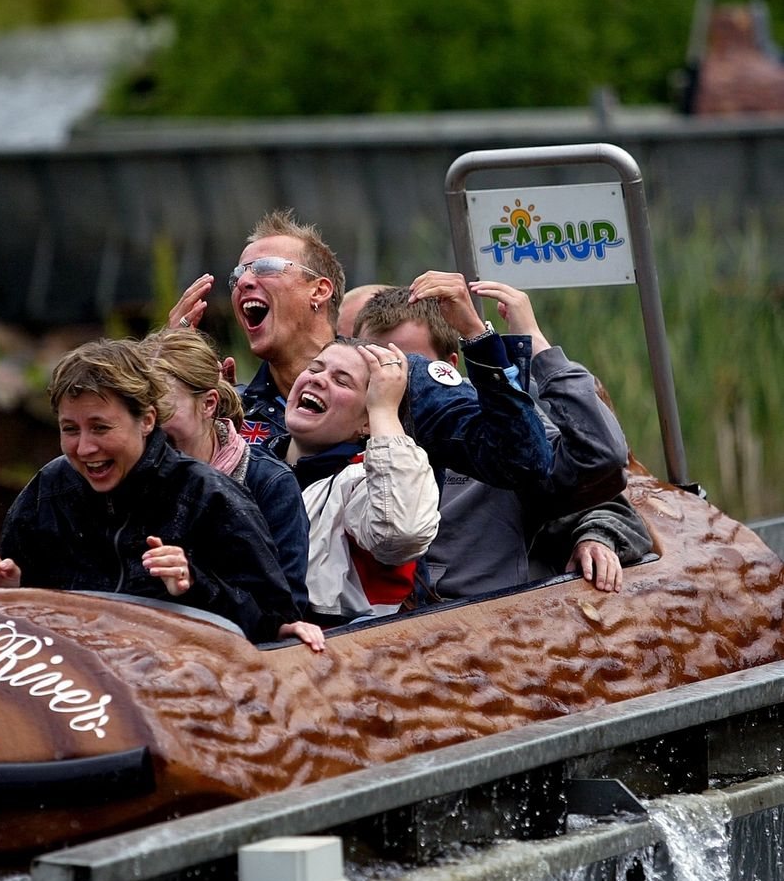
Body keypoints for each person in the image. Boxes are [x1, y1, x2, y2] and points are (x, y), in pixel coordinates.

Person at [0, 337, 325, 651]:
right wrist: (6, 590)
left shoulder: (208, 495)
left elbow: (274, 619)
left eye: (101, 428)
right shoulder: (51, 489)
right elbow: (15, 623)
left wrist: (193, 584)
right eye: (70, 429)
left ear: (147, 420)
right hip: (68, 680)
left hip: (172, 681)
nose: (85, 448)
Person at [168, 209, 554, 494]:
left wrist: (476, 337)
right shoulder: (238, 406)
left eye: (265, 268)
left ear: (319, 290)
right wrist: (166, 380)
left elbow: (525, 463)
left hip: (387, 603)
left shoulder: (400, 379)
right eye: (238, 275)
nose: (244, 282)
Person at [353, 280, 652, 596]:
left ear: (449, 367)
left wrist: (596, 535)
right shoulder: (332, 424)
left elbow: (600, 470)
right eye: (373, 363)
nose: (390, 379)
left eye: (409, 367)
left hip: (484, 623)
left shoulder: (499, 436)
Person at [264, 337, 440, 625]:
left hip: (343, 657)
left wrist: (384, 411)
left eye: (342, 381)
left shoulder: (364, 481)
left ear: (367, 423)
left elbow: (402, 531)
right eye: (314, 368)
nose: (318, 380)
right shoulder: (252, 460)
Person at [140, 327, 311, 618]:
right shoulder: (120, 476)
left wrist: (193, 582)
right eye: (139, 411)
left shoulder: (268, 483)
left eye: (163, 410)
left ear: (208, 404)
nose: (150, 425)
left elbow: (285, 609)